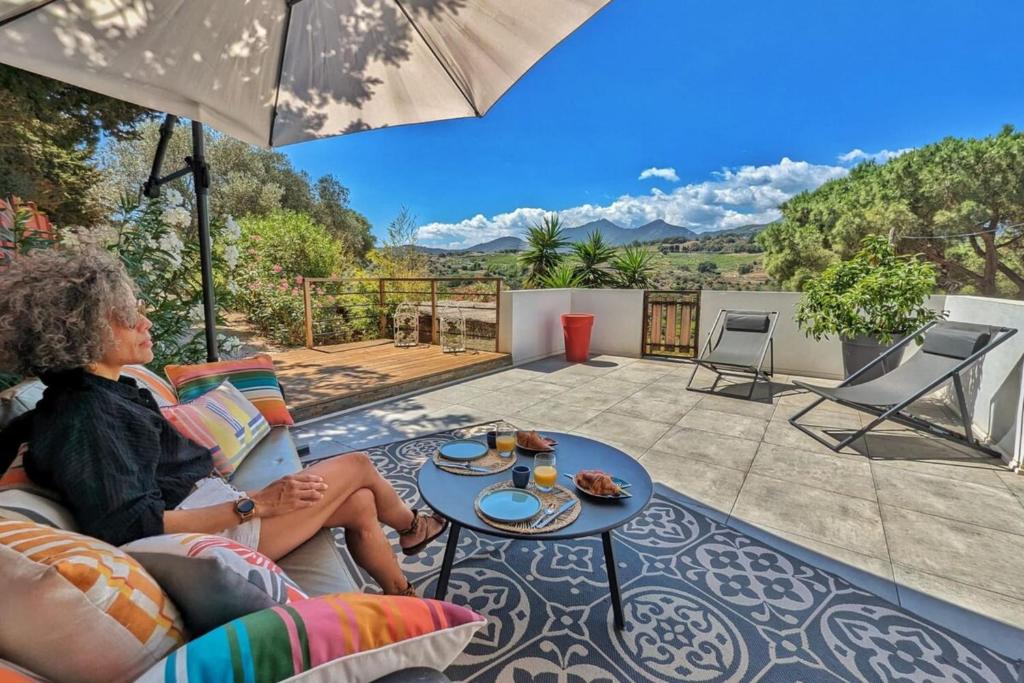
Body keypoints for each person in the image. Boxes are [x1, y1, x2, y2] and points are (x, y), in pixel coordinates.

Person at [0, 248, 446, 596]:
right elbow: (130, 527)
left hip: (211, 505)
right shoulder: (88, 415)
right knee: (358, 466)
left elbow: (33, 432)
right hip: (216, 536)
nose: (145, 320)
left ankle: (402, 593)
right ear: (83, 333)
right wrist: (256, 503)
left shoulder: (88, 394)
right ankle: (412, 528)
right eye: (126, 314)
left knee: (362, 503)